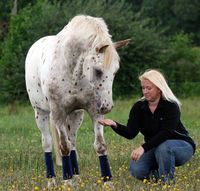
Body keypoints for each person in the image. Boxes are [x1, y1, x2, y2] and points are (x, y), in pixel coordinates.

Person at [98, 69, 196, 184]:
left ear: (159, 89)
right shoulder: (139, 107)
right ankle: (157, 177)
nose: (145, 91)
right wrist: (115, 124)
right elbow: (131, 133)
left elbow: (166, 133)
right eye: (143, 88)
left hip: (181, 146)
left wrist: (143, 148)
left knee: (164, 148)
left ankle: (167, 183)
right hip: (155, 147)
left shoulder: (171, 106)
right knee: (137, 170)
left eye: (149, 88)